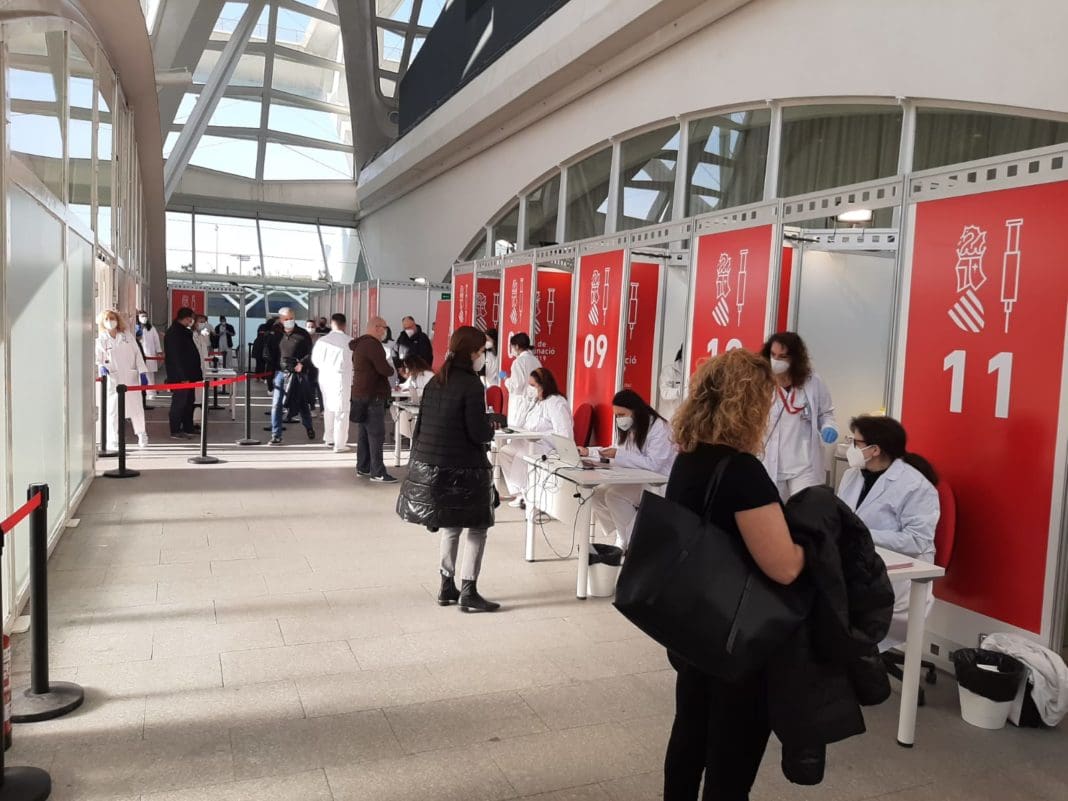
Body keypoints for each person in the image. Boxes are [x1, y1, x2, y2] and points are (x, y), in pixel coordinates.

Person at [662, 349, 805, 801]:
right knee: (732, 752)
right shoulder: (742, 472)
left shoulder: (690, 458)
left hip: (693, 625)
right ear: (750, 405)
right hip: (737, 637)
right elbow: (783, 566)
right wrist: (811, 548)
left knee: (690, 734)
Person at [397, 326, 500, 613]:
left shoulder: (437, 380)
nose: (483, 357)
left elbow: (423, 427)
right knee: (478, 527)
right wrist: (490, 426)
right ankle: (469, 590)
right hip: (465, 469)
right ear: (471, 353)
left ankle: (446, 585)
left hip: (436, 469)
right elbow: (477, 433)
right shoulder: (471, 385)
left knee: (452, 526)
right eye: (481, 351)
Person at [838, 415, 940, 650]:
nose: (851, 448)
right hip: (858, 563)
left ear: (875, 450)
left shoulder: (915, 486)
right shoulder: (852, 476)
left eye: (856, 443)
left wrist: (862, 535)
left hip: (898, 580)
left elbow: (917, 541)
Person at [579, 389, 676, 551]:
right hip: (636, 478)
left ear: (635, 410)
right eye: (617, 415)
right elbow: (615, 450)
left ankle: (635, 544)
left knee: (614, 496)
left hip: (658, 482)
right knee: (596, 493)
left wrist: (618, 455)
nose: (619, 419)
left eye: (622, 414)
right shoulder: (631, 427)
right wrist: (589, 452)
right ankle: (624, 535)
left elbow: (654, 465)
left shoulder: (659, 427)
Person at [760, 332, 838, 502]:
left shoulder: (812, 381)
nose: (776, 360)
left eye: (783, 357)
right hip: (770, 462)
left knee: (805, 509)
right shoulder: (761, 381)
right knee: (775, 511)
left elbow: (826, 413)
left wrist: (828, 426)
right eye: (773, 355)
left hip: (804, 465)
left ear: (795, 359)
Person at [498, 367, 573, 508]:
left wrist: (545, 439)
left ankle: (529, 495)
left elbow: (564, 432)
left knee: (521, 456)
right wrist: (526, 403)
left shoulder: (556, 402)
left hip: (547, 446)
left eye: (533, 385)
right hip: (529, 442)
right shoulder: (536, 402)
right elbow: (521, 423)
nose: (530, 389)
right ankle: (519, 493)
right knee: (505, 452)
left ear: (543, 385)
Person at [349, 316, 396, 481]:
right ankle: (378, 472)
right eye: (384, 327)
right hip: (372, 395)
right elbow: (384, 369)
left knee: (363, 434)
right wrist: (391, 369)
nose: (385, 331)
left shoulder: (360, 344)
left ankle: (363, 467)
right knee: (376, 434)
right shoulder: (373, 345)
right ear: (377, 327)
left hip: (360, 394)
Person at [96, 310, 149, 450]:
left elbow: (137, 354)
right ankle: (113, 439)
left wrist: (142, 372)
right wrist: (101, 367)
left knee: (136, 408)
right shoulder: (101, 339)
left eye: (112, 318)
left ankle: (141, 434)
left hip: (130, 377)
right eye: (106, 319)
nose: (110, 322)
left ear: (117, 320)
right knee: (112, 410)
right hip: (113, 378)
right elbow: (98, 358)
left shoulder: (127, 336)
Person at [265, 307, 315, 446]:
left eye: (291, 318)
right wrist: (269, 378)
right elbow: (270, 356)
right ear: (281, 320)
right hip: (280, 373)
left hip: (298, 374)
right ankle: (276, 435)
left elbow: (311, 354)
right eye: (286, 319)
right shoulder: (275, 336)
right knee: (277, 404)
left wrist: (302, 364)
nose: (289, 321)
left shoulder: (303, 335)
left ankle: (309, 426)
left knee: (302, 402)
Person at [311, 313, 354, 453]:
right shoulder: (350, 341)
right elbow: (354, 362)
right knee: (341, 410)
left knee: (328, 408)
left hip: (324, 378)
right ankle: (339, 444)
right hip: (341, 378)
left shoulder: (322, 340)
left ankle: (329, 438)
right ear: (345, 325)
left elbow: (315, 361)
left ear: (331, 324)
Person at [164, 307, 202, 439]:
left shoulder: (184, 331)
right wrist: (182, 376)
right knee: (179, 403)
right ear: (185, 318)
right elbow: (175, 358)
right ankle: (175, 429)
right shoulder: (174, 333)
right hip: (181, 375)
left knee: (189, 401)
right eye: (190, 319)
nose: (191, 322)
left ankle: (188, 427)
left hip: (189, 374)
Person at [500, 332, 541, 424]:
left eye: (512, 346)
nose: (511, 349)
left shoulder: (518, 362)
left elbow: (517, 386)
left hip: (520, 404)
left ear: (517, 346)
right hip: (534, 403)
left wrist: (505, 378)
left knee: (516, 429)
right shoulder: (536, 360)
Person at [136, 310, 163, 401]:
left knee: (150, 375)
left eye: (145, 316)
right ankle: (141, 393)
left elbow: (156, 340)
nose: (144, 318)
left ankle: (151, 393)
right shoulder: (136, 328)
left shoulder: (151, 328)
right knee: (140, 375)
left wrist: (159, 351)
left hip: (150, 354)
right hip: (139, 354)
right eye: (142, 316)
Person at [658, 345, 684, 420]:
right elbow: (665, 393)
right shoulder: (669, 370)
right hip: (669, 418)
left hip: (684, 418)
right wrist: (683, 390)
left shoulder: (692, 370)